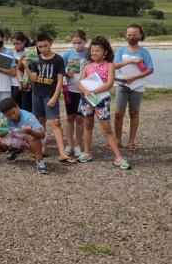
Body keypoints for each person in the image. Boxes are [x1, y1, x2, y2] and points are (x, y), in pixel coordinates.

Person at [77, 36, 131, 169]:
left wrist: (93, 91)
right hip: (86, 100)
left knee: (107, 130)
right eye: (92, 50)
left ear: (105, 52)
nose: (94, 53)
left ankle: (118, 157)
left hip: (101, 101)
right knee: (88, 126)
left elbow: (109, 83)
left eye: (98, 51)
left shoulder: (109, 65)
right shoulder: (87, 66)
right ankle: (87, 152)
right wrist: (85, 91)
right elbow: (79, 82)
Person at [23, 33, 73, 164]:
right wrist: (27, 67)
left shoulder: (58, 59)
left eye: (45, 45)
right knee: (39, 121)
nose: (43, 49)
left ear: (50, 43)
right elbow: (33, 79)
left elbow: (59, 80)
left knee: (55, 122)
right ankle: (41, 147)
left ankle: (62, 153)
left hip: (50, 94)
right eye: (40, 47)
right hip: (37, 93)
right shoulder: (35, 59)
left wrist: (55, 97)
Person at [113, 24, 154, 151]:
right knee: (118, 113)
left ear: (140, 36)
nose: (131, 37)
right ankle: (117, 140)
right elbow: (115, 65)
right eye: (129, 35)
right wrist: (131, 61)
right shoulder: (121, 50)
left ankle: (131, 141)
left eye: (134, 35)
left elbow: (150, 69)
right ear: (125, 35)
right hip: (122, 84)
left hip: (137, 86)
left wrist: (134, 78)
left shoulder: (144, 52)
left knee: (134, 112)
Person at [0, 98, 49, 174]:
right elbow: (3, 136)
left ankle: (40, 162)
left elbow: (42, 134)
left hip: (35, 138)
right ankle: (15, 150)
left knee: (32, 137)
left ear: (17, 106)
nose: (13, 116)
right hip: (19, 137)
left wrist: (31, 131)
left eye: (14, 112)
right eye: (9, 115)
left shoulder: (28, 117)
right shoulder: (3, 116)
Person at [61, 30, 89, 157]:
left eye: (79, 42)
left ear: (85, 41)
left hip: (85, 90)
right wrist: (67, 74)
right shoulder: (67, 54)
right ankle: (69, 144)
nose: (77, 45)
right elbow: (61, 72)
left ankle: (77, 144)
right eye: (74, 43)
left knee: (80, 118)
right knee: (70, 117)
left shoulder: (89, 53)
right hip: (70, 90)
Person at [10, 31, 33, 112]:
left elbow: (30, 68)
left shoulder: (29, 53)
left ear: (24, 41)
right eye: (14, 44)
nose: (16, 46)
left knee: (23, 106)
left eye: (18, 43)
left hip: (23, 84)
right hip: (14, 82)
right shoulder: (16, 53)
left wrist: (19, 63)